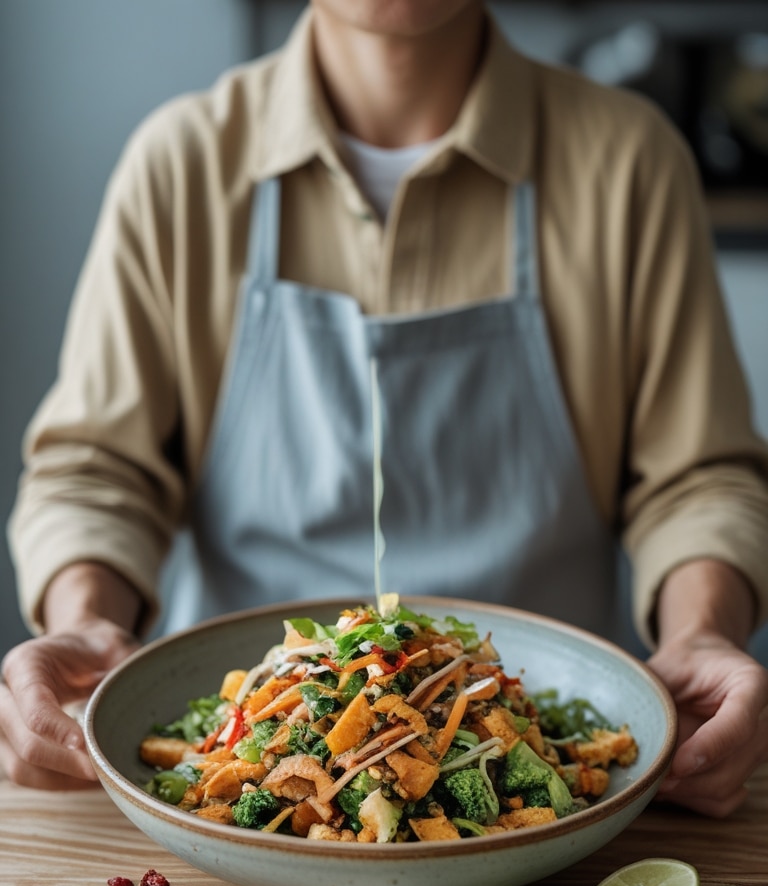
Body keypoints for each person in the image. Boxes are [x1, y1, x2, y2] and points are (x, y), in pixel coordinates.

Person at [2, 0, 768, 816]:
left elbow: (698, 480)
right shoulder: (182, 162)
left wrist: (700, 633)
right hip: (225, 800)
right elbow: (97, 471)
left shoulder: (629, 160)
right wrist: (85, 623)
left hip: (549, 787)